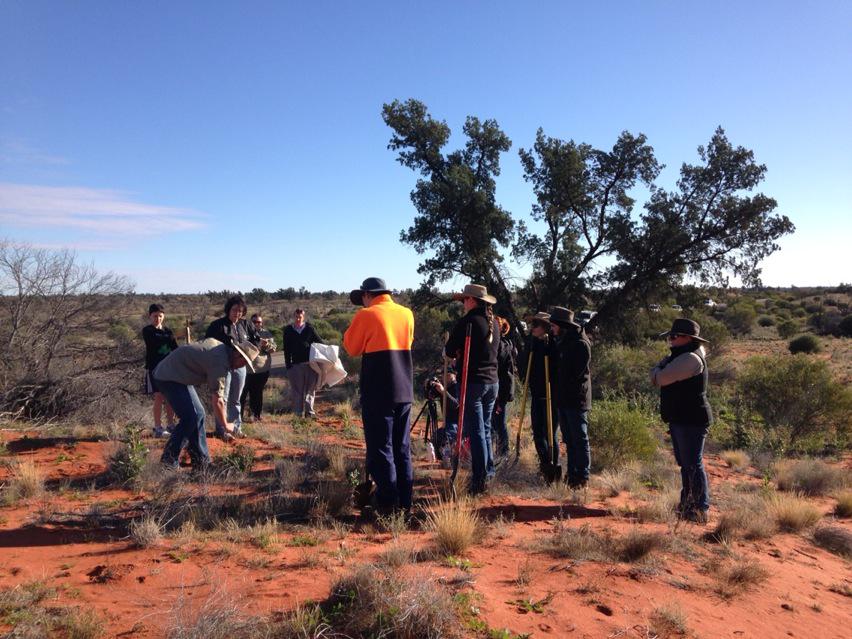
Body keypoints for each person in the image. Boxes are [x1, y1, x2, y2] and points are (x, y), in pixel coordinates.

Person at [343, 277, 415, 514]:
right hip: (404, 389)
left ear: (367, 295)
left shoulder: (367, 315)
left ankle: (386, 503)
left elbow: (351, 348)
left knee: (381, 448)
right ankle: (405, 502)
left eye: (362, 298)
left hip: (378, 391)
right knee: (401, 447)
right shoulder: (406, 314)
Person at [154, 338, 262, 471]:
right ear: (237, 354)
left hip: (179, 376)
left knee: (198, 414)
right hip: (168, 376)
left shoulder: (222, 351)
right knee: (190, 417)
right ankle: (168, 461)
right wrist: (225, 425)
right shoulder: (220, 362)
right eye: (244, 362)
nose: (242, 366)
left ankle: (201, 463)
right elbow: (217, 400)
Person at [650, 318, 713, 523]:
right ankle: (689, 505)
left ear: (688, 338)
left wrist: (660, 367)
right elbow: (659, 374)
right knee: (687, 465)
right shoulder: (682, 356)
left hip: (690, 419)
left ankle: (699, 508)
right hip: (683, 418)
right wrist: (661, 367)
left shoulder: (689, 359)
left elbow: (659, 378)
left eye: (674, 336)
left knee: (692, 464)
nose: (670, 340)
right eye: (671, 336)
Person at [445, 284, 500, 495]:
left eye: (464, 300)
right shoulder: (493, 322)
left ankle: (479, 481)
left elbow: (450, 350)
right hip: (492, 383)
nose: (462, 304)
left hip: (473, 382)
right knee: (484, 429)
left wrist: (455, 351)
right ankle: (488, 473)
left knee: (476, 431)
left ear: (472, 301)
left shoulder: (468, 322)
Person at [204, 295, 259, 437]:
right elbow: (208, 343)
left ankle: (236, 428)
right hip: (223, 367)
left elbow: (256, 339)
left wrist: (253, 350)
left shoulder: (246, 325)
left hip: (241, 366)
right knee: (223, 397)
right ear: (228, 310)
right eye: (234, 310)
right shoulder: (218, 325)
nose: (237, 313)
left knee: (236, 399)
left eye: (240, 311)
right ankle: (222, 429)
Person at [549, 307, 592, 489]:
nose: (551, 329)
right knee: (569, 439)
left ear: (561, 325)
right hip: (563, 398)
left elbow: (575, 374)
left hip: (576, 399)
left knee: (579, 438)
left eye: (553, 325)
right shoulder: (563, 341)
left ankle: (582, 476)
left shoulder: (580, 344)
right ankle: (572, 473)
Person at [519, 312, 559, 473]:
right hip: (536, 395)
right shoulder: (532, 344)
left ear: (545, 328)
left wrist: (547, 347)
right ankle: (544, 465)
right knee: (537, 433)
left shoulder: (553, 344)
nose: (532, 328)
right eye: (532, 325)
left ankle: (554, 465)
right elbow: (523, 363)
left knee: (550, 434)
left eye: (536, 325)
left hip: (551, 396)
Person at [142, 303, 178, 438]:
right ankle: (157, 427)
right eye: (155, 316)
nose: (158, 318)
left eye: (160, 316)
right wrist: (171, 337)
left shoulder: (168, 331)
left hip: (169, 369)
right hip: (154, 368)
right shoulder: (148, 331)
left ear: (164, 316)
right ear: (150, 316)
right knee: (159, 396)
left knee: (170, 397)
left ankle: (170, 424)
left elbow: (175, 348)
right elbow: (155, 342)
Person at [283, 308, 324, 417]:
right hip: (296, 365)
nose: (297, 319)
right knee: (297, 390)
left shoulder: (309, 328)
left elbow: (320, 342)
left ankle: (309, 412)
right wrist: (288, 365)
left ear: (303, 317)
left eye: (300, 317)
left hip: (311, 364)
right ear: (293, 316)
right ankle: (298, 413)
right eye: (296, 316)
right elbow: (286, 349)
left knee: (310, 389)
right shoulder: (288, 330)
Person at [240, 313, 277, 422]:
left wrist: (266, 345)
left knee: (257, 393)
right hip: (246, 369)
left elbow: (273, 349)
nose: (257, 324)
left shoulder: (266, 334)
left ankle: (256, 415)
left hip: (261, 369)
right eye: (254, 322)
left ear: (262, 323)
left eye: (259, 322)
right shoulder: (244, 333)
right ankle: (239, 417)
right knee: (242, 394)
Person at [492, 316, 516, 462]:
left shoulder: (502, 347)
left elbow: (505, 375)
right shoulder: (502, 345)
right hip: (499, 389)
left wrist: (501, 398)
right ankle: (499, 453)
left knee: (499, 423)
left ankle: (504, 453)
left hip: (500, 391)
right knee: (496, 423)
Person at [432, 368, 459, 464]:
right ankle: (442, 459)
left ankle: (450, 460)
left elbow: (455, 404)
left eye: (448, 375)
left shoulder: (457, 386)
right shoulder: (445, 386)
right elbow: (430, 396)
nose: (446, 378)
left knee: (445, 436)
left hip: (458, 423)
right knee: (436, 436)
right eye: (444, 375)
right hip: (448, 423)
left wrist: (443, 391)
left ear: (454, 375)